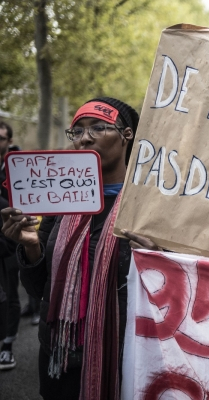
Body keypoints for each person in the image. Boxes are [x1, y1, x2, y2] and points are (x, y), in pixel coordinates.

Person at [1, 97, 138, 399]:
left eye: (98, 128)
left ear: (126, 135)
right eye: (77, 131)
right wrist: (32, 248)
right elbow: (40, 292)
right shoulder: (59, 203)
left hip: (126, 359)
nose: (84, 137)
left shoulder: (147, 208)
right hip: (59, 359)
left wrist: (159, 261)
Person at [0, 121, 18, 371]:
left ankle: (7, 346)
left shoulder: (16, 169)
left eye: (1, 138)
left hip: (10, 239)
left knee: (10, 292)